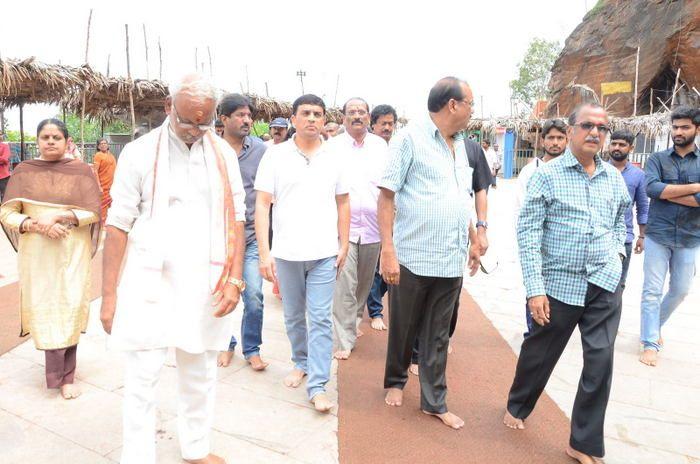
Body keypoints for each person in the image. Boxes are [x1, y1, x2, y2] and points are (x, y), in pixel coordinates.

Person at [101, 74, 246, 464]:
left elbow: (238, 220)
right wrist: (109, 295)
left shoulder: (223, 155)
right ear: (169, 107)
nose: (196, 130)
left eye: (205, 122)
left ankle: (195, 449)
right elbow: (117, 225)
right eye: (188, 120)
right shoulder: (138, 152)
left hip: (204, 281)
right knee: (142, 378)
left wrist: (235, 278)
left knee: (200, 373)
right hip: (149, 281)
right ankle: (138, 457)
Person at [503, 103, 630, 464]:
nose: (595, 132)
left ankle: (584, 442)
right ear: (572, 130)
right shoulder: (547, 175)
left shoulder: (614, 178)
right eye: (587, 125)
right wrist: (534, 288)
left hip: (604, 282)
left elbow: (621, 221)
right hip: (560, 285)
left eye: (602, 128)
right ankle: (518, 404)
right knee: (540, 352)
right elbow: (528, 233)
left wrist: (618, 261)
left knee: (600, 362)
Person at [380, 77, 479, 430]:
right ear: (452, 104)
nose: (472, 110)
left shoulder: (463, 144)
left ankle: (434, 401)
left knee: (439, 334)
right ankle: (394, 381)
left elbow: (461, 197)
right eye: (470, 102)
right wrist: (387, 250)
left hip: (451, 258)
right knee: (404, 327)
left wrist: (474, 237)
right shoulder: (408, 138)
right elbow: (387, 195)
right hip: (413, 255)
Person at [255, 94, 349, 413]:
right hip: (287, 253)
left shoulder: (335, 157)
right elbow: (262, 204)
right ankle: (301, 361)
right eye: (305, 113)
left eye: (317, 114)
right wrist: (265, 252)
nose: (312, 118)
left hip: (324, 252)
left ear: (324, 121)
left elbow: (343, 201)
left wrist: (344, 243)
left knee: (320, 317)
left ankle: (318, 385)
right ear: (293, 119)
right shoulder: (275, 156)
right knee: (294, 316)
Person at [0, 118, 101, 400]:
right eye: (45, 137)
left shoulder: (82, 172)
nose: (51, 141)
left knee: (69, 305)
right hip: (38, 253)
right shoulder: (24, 171)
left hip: (71, 250)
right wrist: (36, 224)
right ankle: (57, 373)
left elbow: (94, 212)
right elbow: (6, 214)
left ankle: (66, 376)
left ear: (67, 141)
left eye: (57, 137)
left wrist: (61, 216)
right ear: (38, 140)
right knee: (46, 307)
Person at [408, 124, 493, 376]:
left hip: (456, 238)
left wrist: (481, 230)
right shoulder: (420, 145)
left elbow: (480, 192)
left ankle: (441, 340)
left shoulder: (472, 150)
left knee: (450, 299)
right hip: (420, 237)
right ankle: (415, 352)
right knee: (418, 298)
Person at [640, 106, 700, 367]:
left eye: (684, 127)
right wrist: (696, 187)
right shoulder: (657, 159)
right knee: (651, 291)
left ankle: (654, 326)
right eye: (675, 127)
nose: (678, 132)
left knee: (680, 291)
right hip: (658, 234)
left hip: (690, 236)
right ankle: (650, 341)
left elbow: (664, 191)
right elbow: (652, 189)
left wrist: (669, 192)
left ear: (697, 129)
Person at [329, 97, 387, 359]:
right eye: (351, 112)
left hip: (374, 228)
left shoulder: (381, 147)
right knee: (345, 282)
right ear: (343, 117)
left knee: (364, 283)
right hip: (345, 229)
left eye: (361, 112)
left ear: (368, 117)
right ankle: (343, 337)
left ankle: (353, 321)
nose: (356, 116)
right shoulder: (332, 147)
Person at [215, 93, 269, 371]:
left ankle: (252, 348)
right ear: (223, 119)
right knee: (221, 294)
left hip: (250, 238)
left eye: (249, 115)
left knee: (254, 296)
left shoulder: (261, 151)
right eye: (240, 115)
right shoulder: (209, 149)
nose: (247, 120)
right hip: (218, 239)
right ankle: (225, 344)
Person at [515, 119, 568, 337]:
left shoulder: (571, 171)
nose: (555, 143)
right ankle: (533, 331)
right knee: (536, 288)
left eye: (560, 138)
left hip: (564, 246)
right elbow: (521, 213)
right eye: (551, 138)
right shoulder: (530, 172)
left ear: (567, 140)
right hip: (537, 244)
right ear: (542, 140)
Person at [364, 104, 399, 331]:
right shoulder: (364, 149)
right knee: (373, 271)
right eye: (383, 123)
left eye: (390, 123)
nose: (387, 128)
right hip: (368, 219)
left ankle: (372, 303)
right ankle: (375, 311)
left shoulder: (398, 148)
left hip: (396, 218)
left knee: (389, 270)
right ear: (373, 125)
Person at [608, 130, 648, 289]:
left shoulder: (638, 175)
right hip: (597, 236)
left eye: (622, 145)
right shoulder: (597, 169)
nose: (617, 148)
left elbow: (643, 207)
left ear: (631, 148)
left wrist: (642, 236)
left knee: (618, 285)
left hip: (624, 239)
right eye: (614, 143)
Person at [92, 138, 118, 223]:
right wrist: (98, 186)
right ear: (98, 147)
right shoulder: (98, 155)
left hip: (112, 186)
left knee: (112, 208)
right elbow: (95, 171)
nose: (103, 145)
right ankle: (102, 228)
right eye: (101, 144)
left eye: (105, 143)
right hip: (103, 186)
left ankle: (110, 225)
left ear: (108, 145)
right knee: (103, 208)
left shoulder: (111, 155)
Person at [0, 130, 11, 200]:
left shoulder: (5, 146)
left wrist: (2, 160)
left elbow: (4, 159)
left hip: (3, 176)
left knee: (5, 197)